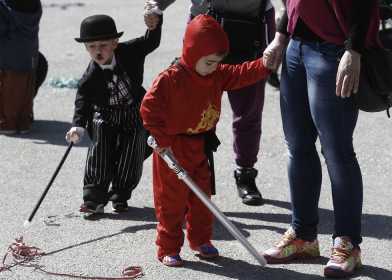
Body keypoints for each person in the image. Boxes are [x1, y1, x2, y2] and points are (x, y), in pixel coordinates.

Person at [261, 0, 380, 278]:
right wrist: (281, 35)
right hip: (296, 47)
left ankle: (348, 244)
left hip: (334, 50)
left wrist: (354, 50)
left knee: (337, 152)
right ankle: (303, 236)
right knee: (298, 146)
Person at [140, 15, 270, 267]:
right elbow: (149, 109)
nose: (214, 67)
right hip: (172, 148)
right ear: (191, 53)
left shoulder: (217, 74)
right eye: (209, 62)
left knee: (202, 199)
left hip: (200, 146)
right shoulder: (171, 78)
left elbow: (241, 73)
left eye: (217, 62)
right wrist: (161, 138)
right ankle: (168, 247)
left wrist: (264, 64)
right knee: (171, 202)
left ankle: (201, 240)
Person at [144, 0, 276, 206]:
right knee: (192, 112)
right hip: (204, 32)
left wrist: (276, 47)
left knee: (248, 113)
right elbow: (149, 108)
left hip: (252, 31)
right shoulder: (172, 78)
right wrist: (156, 5)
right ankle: (191, 177)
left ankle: (246, 173)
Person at [65, 13, 162, 214]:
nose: (98, 51)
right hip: (105, 113)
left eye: (103, 45)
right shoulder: (89, 78)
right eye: (92, 47)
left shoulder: (130, 52)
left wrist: (154, 24)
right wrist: (77, 127)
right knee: (99, 149)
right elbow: (82, 103)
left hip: (134, 111)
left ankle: (120, 194)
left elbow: (150, 42)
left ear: (115, 43)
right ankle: (94, 198)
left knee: (132, 150)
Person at [0, 0, 42, 134]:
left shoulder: (4, 9)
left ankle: (7, 122)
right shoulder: (34, 5)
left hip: (8, 59)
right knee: (24, 87)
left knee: (10, 88)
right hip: (29, 58)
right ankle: (23, 120)